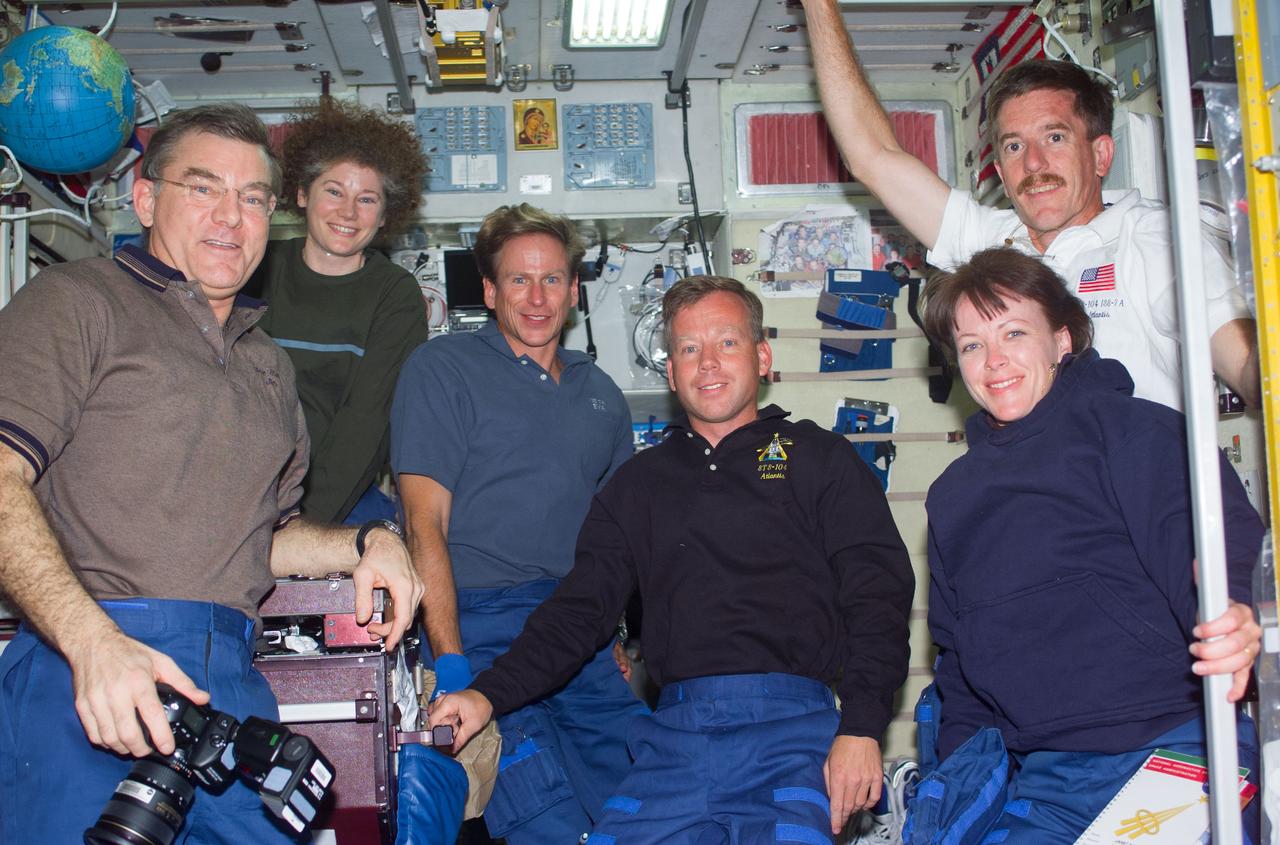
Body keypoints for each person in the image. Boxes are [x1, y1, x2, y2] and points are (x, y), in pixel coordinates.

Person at [0, 104, 423, 844]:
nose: (232, 216)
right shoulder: (78, 302)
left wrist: (369, 542)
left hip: (230, 680)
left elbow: (266, 538)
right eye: (203, 188)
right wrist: (90, 641)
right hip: (92, 665)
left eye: (252, 197)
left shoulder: (268, 366)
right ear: (144, 198)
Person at [429, 275, 916, 843]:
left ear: (762, 356)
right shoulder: (639, 485)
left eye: (727, 343)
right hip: (675, 743)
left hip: (794, 736)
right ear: (671, 370)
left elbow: (877, 596)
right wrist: (485, 693)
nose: (707, 363)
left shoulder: (818, 457)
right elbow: (578, 613)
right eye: (689, 348)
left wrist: (860, 727)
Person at [918, 248, 1263, 842]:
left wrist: (1236, 615)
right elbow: (959, 664)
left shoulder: (1137, 432)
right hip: (1045, 773)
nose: (993, 360)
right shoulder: (952, 496)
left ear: (1063, 339)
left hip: (1175, 749)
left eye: (1014, 332)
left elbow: (1213, 553)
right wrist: (952, 783)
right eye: (972, 344)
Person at [800, 0, 1259, 411]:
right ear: (1000, 171)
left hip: (1132, 499)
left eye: (1054, 138)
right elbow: (872, 157)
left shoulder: (1155, 241)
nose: (1034, 164)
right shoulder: (988, 242)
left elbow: (1249, 367)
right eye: (1014, 147)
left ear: (1101, 154)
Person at [390, 203, 647, 844]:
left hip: (571, 631)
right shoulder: (442, 370)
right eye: (517, 280)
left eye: (552, 279)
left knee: (641, 799)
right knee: (543, 817)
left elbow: (615, 545)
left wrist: (613, 634)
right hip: (477, 624)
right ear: (488, 290)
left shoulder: (602, 393)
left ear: (575, 289)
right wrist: (450, 664)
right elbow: (425, 524)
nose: (537, 298)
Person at [249, 99, 430, 525]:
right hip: (238, 484)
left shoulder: (394, 295)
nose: (348, 212)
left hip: (336, 497)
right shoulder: (256, 267)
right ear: (300, 194)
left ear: (385, 216)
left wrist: (299, 526)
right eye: (334, 191)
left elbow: (366, 425)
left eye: (367, 199)